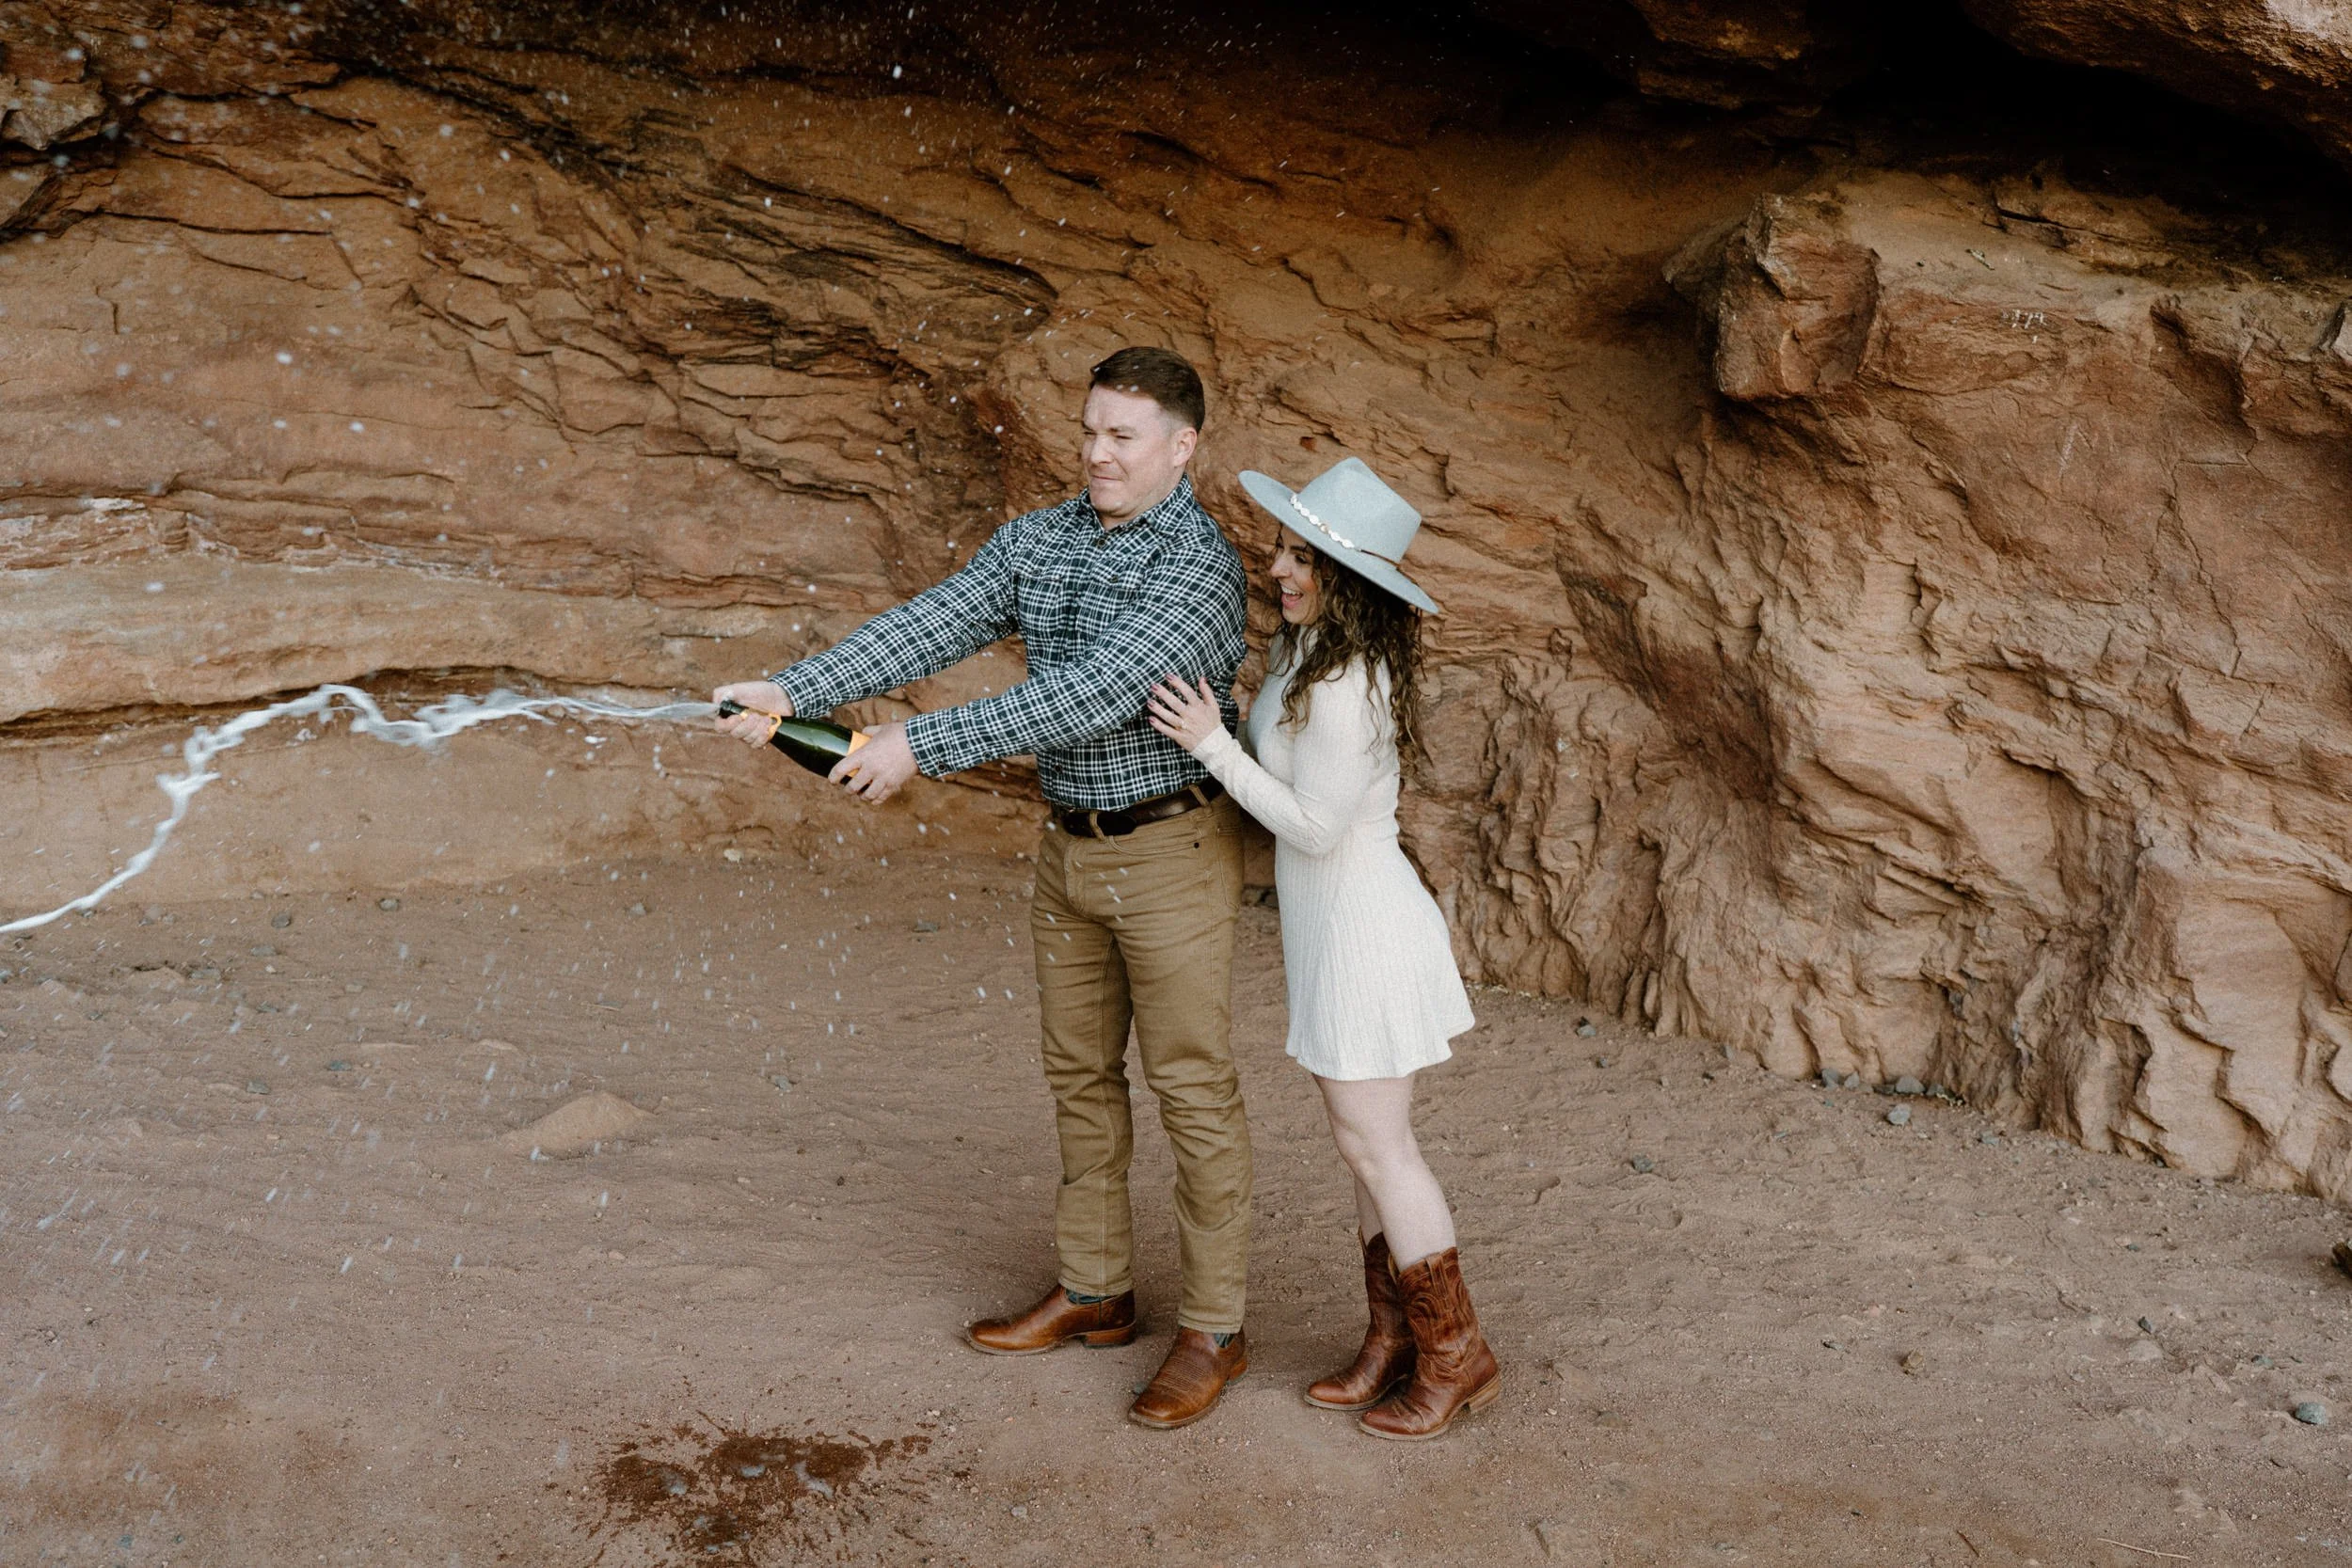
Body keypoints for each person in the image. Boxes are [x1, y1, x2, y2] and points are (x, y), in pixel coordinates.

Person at [713, 348, 1257, 1431]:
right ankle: (1097, 1290)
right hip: (1068, 848)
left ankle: (1214, 1328)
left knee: (1190, 1087)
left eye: (1124, 436)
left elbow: (1088, 697)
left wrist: (917, 742)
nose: (1097, 451)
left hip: (1169, 851)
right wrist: (796, 686)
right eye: (1091, 428)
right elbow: (939, 618)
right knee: (1078, 1076)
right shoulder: (1044, 537)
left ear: (1181, 447)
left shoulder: (1199, 571)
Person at [1145, 455, 1501, 1441]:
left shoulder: (1345, 683)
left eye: (1301, 555)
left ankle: (1455, 1353)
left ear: (1350, 577)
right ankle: (1393, 1340)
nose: (1278, 567)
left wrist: (1210, 745)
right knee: (1361, 1147)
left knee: (1382, 1148)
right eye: (1282, 548)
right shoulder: (1308, 655)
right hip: (1331, 932)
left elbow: (1311, 825)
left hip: (1366, 932)